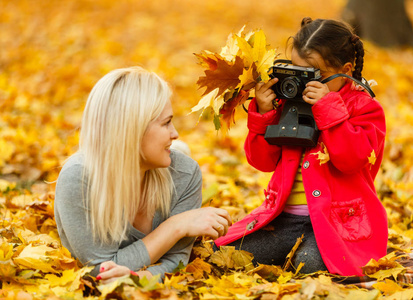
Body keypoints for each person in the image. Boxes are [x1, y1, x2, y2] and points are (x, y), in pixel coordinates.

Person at [214, 17, 387, 276]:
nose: (304, 83)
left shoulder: (364, 108)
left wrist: (328, 109)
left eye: (315, 75)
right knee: (225, 257)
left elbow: (352, 159)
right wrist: (263, 113)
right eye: (297, 71)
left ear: (347, 70)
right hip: (282, 221)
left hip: (337, 225)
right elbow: (261, 162)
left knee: (313, 267)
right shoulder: (288, 103)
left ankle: (299, 258)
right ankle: (284, 253)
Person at [54, 67, 231, 284]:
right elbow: (98, 271)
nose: (175, 132)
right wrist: (175, 226)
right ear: (132, 129)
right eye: (166, 123)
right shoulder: (79, 178)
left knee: (179, 160)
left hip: (170, 172)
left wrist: (138, 278)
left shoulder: (186, 175)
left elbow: (178, 262)